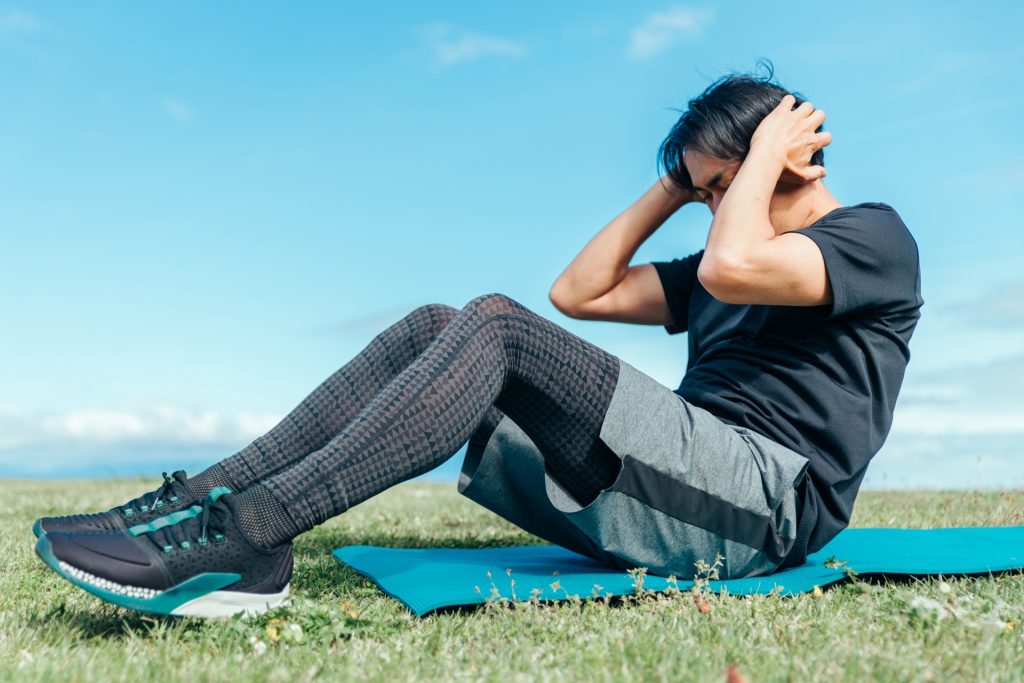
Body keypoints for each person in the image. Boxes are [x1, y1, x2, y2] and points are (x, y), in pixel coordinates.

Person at [32, 64, 923, 618]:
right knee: (437, 325)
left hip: (767, 507)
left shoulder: (873, 239)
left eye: (724, 187)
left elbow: (731, 265)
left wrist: (758, 156)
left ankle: (253, 538)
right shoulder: (727, 257)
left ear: (790, 158)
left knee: (497, 323)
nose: (716, 207)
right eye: (708, 195)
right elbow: (580, 291)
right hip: (683, 487)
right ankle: (201, 504)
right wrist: (677, 184)